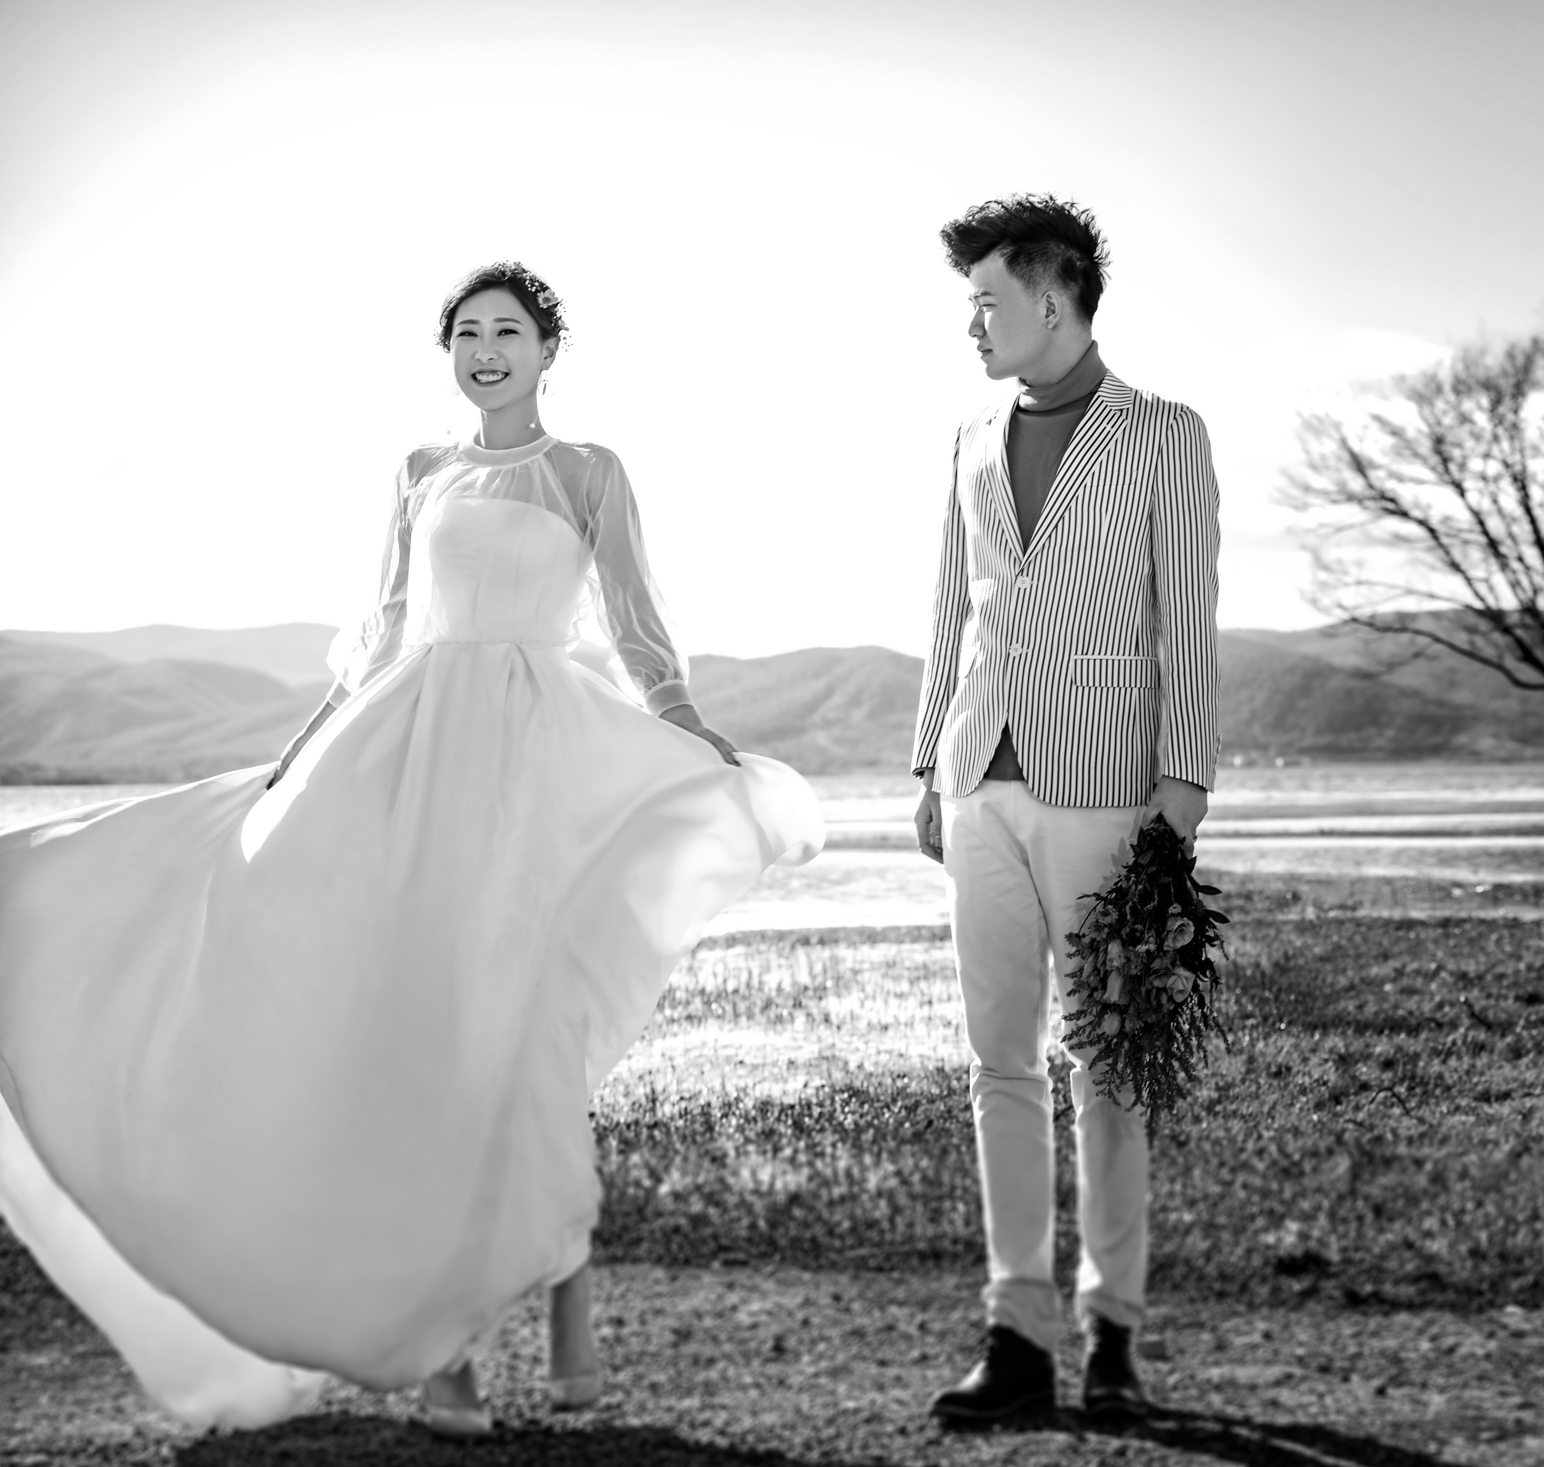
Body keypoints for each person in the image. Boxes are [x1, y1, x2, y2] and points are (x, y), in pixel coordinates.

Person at [0, 261, 823, 1437]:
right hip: (408, 750)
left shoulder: (589, 471)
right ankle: (444, 1353)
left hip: (539, 763)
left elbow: (638, 625)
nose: (487, 350)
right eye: (468, 333)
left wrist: (688, 728)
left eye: (509, 332)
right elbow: (384, 630)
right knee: (417, 1042)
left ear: (548, 351)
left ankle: (566, 1318)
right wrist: (301, 750)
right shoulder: (419, 471)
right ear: (451, 353)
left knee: (527, 1037)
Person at [911, 196, 1220, 1421]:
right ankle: (1015, 1336)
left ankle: (1112, 1339)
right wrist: (924, 766)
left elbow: (1187, 619)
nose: (972, 325)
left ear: (1053, 298)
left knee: (1111, 1065)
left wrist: (1181, 788)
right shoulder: (966, 438)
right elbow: (951, 608)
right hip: (974, 778)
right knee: (998, 1063)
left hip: (1108, 784)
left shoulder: (1164, 434)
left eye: (986, 300)